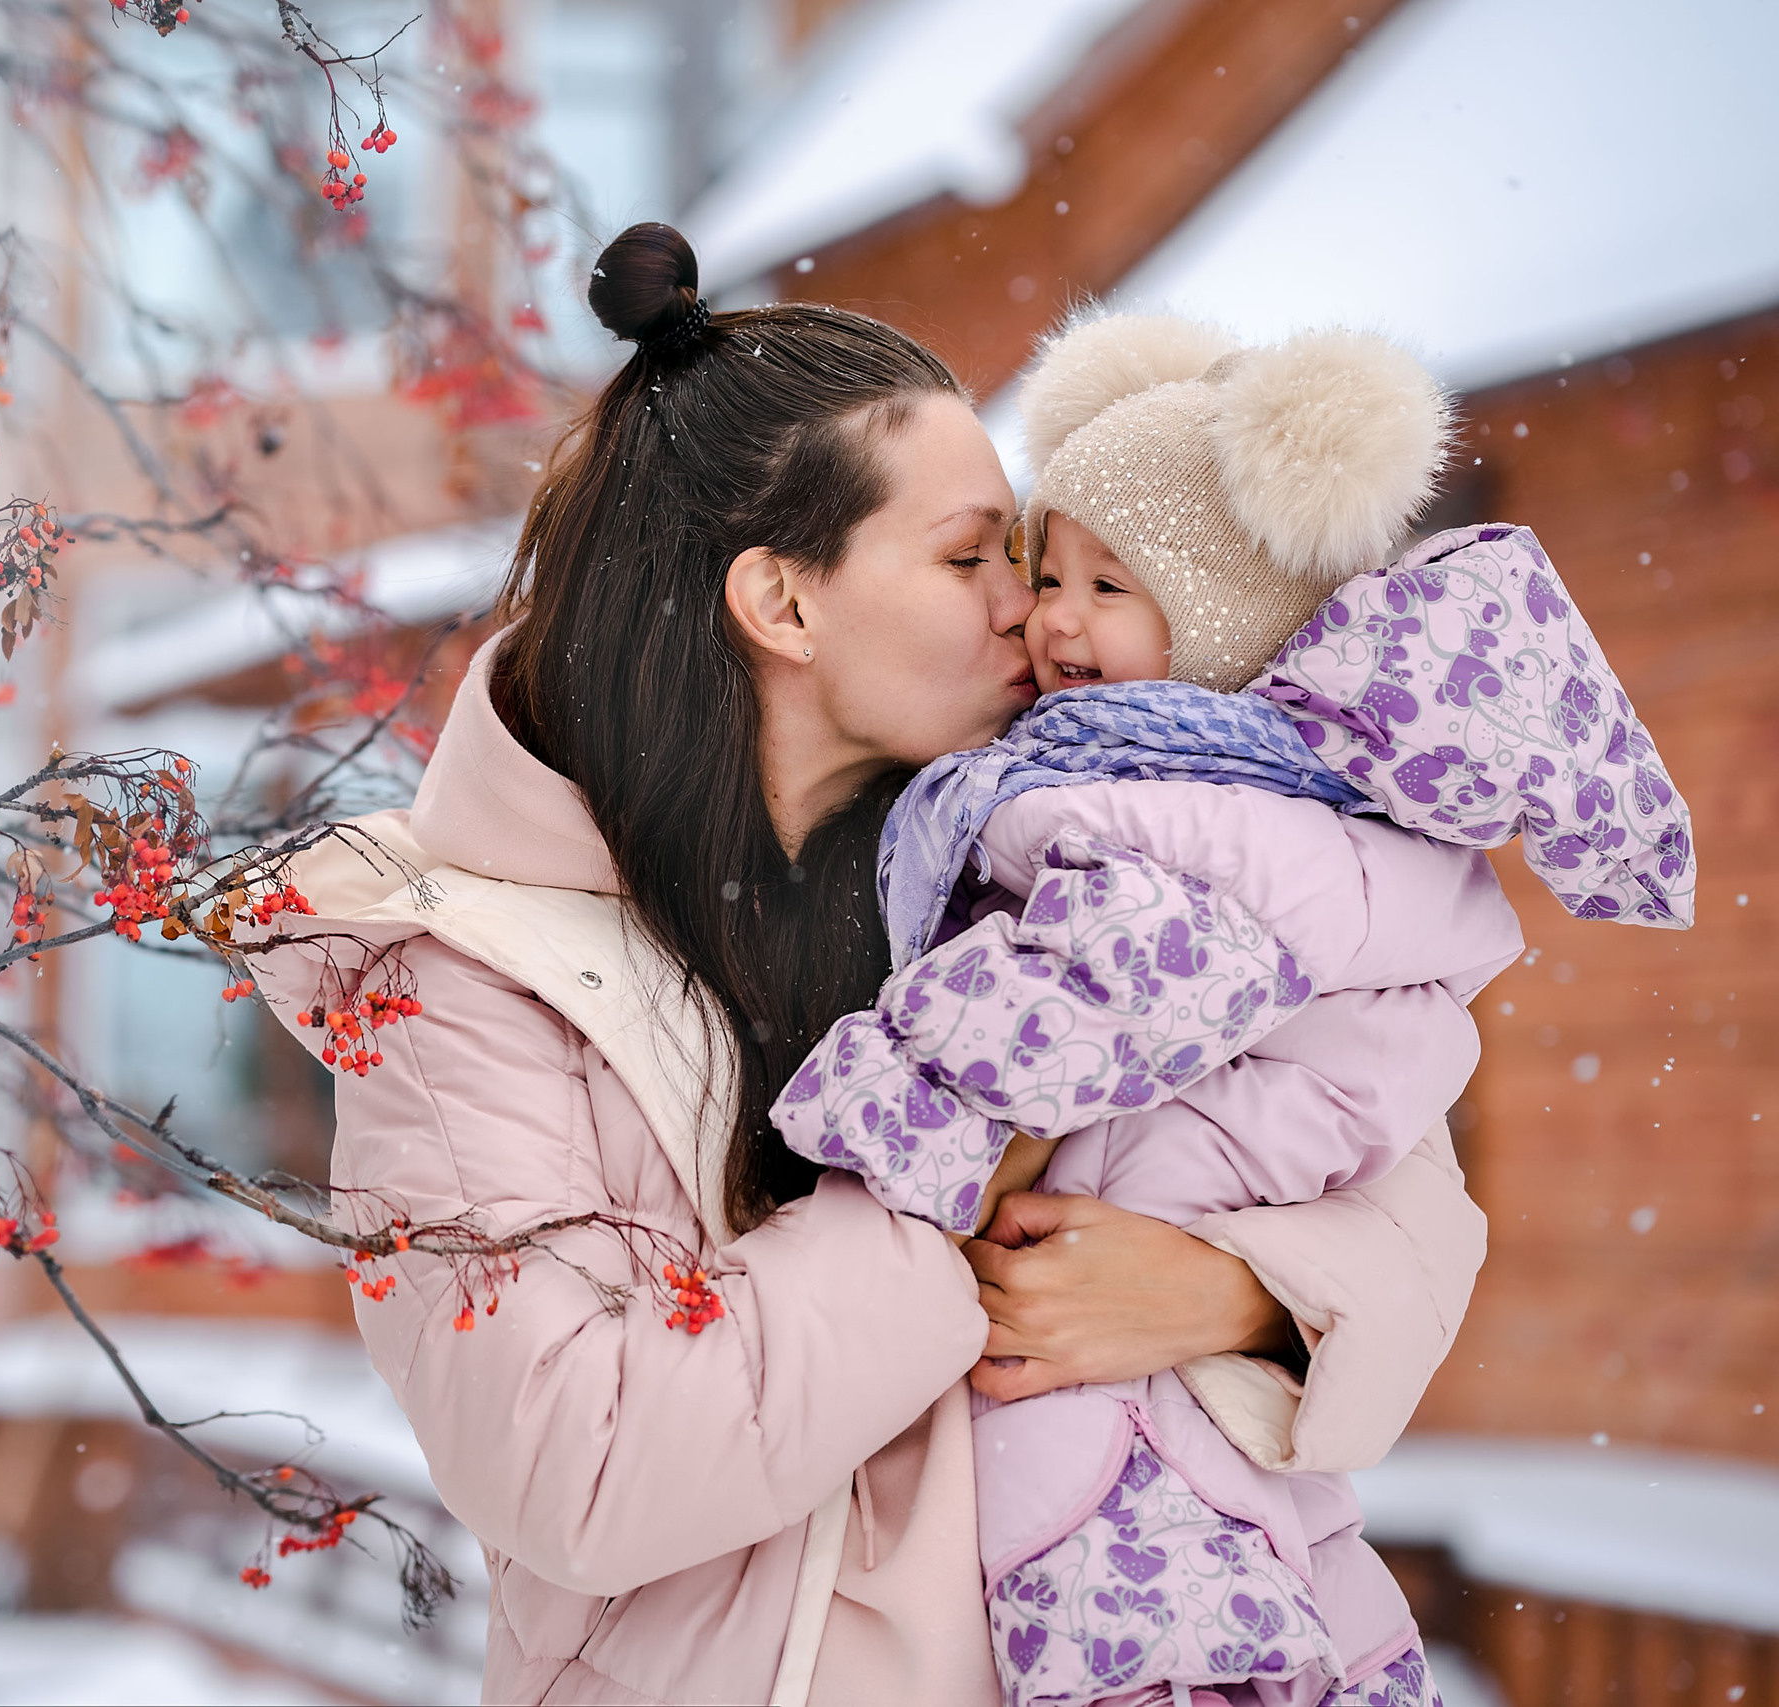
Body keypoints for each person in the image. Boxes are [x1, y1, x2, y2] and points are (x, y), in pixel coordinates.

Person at [244, 227, 1489, 1706]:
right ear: (783, 604)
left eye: (1020, 556)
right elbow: (580, 1470)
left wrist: (1236, 1295)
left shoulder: (1038, 866)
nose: (1029, 608)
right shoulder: (465, 984)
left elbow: (1419, 1218)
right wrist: (955, 1195)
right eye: (969, 558)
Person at [772, 313, 1694, 1705]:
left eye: (1108, 585)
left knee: (1160, 1612)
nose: (1050, 618)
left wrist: (873, 1124)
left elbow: (1093, 991)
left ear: (1214, 619)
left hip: (1123, 1384)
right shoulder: (1178, 790)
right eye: (1041, 572)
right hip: (1116, 1352)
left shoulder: (1193, 814)